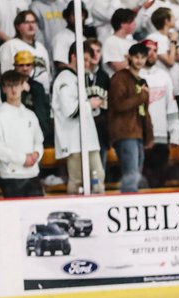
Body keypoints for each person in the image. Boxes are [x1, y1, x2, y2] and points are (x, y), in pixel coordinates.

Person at [51, 41, 105, 194]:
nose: (87, 64)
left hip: (87, 139)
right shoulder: (65, 79)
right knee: (77, 181)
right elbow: (71, 110)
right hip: (74, 140)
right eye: (85, 59)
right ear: (74, 57)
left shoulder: (77, 79)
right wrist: (90, 104)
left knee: (97, 177)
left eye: (89, 60)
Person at [0, 70, 44, 198]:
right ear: (4, 89)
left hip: (33, 174)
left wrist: (36, 154)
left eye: (17, 85)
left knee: (37, 216)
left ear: (22, 86)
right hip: (11, 176)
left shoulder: (30, 115)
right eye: (9, 86)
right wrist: (23, 159)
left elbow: (39, 141)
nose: (14, 89)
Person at [108, 41, 153, 193]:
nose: (139, 60)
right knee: (131, 176)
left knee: (136, 176)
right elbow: (118, 105)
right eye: (136, 57)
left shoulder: (142, 81)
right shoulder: (119, 78)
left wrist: (149, 134)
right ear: (129, 58)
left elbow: (144, 112)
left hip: (138, 133)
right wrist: (141, 96)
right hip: (124, 132)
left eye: (143, 57)